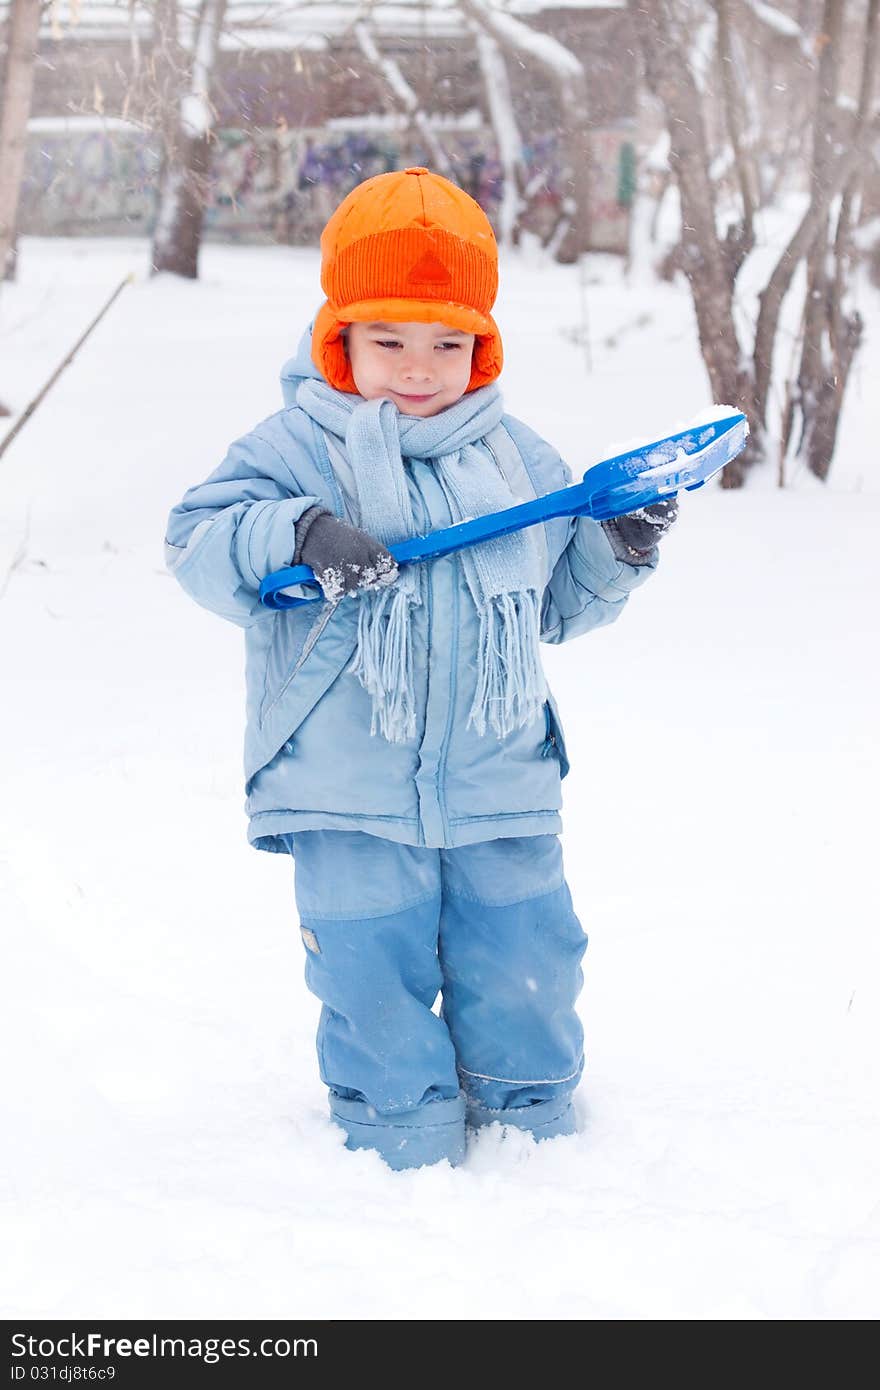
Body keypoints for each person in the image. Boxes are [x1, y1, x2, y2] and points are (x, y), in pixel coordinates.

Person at [165, 167, 677, 1171]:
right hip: (343, 778)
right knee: (368, 968)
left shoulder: (517, 459)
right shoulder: (292, 448)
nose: (417, 367)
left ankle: (531, 1134)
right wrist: (298, 529)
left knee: (527, 957)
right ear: (338, 337)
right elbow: (198, 543)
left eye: (447, 343)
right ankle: (396, 1136)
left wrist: (618, 544)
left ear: (480, 348)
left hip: (499, 779)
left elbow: (557, 607)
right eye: (388, 339)